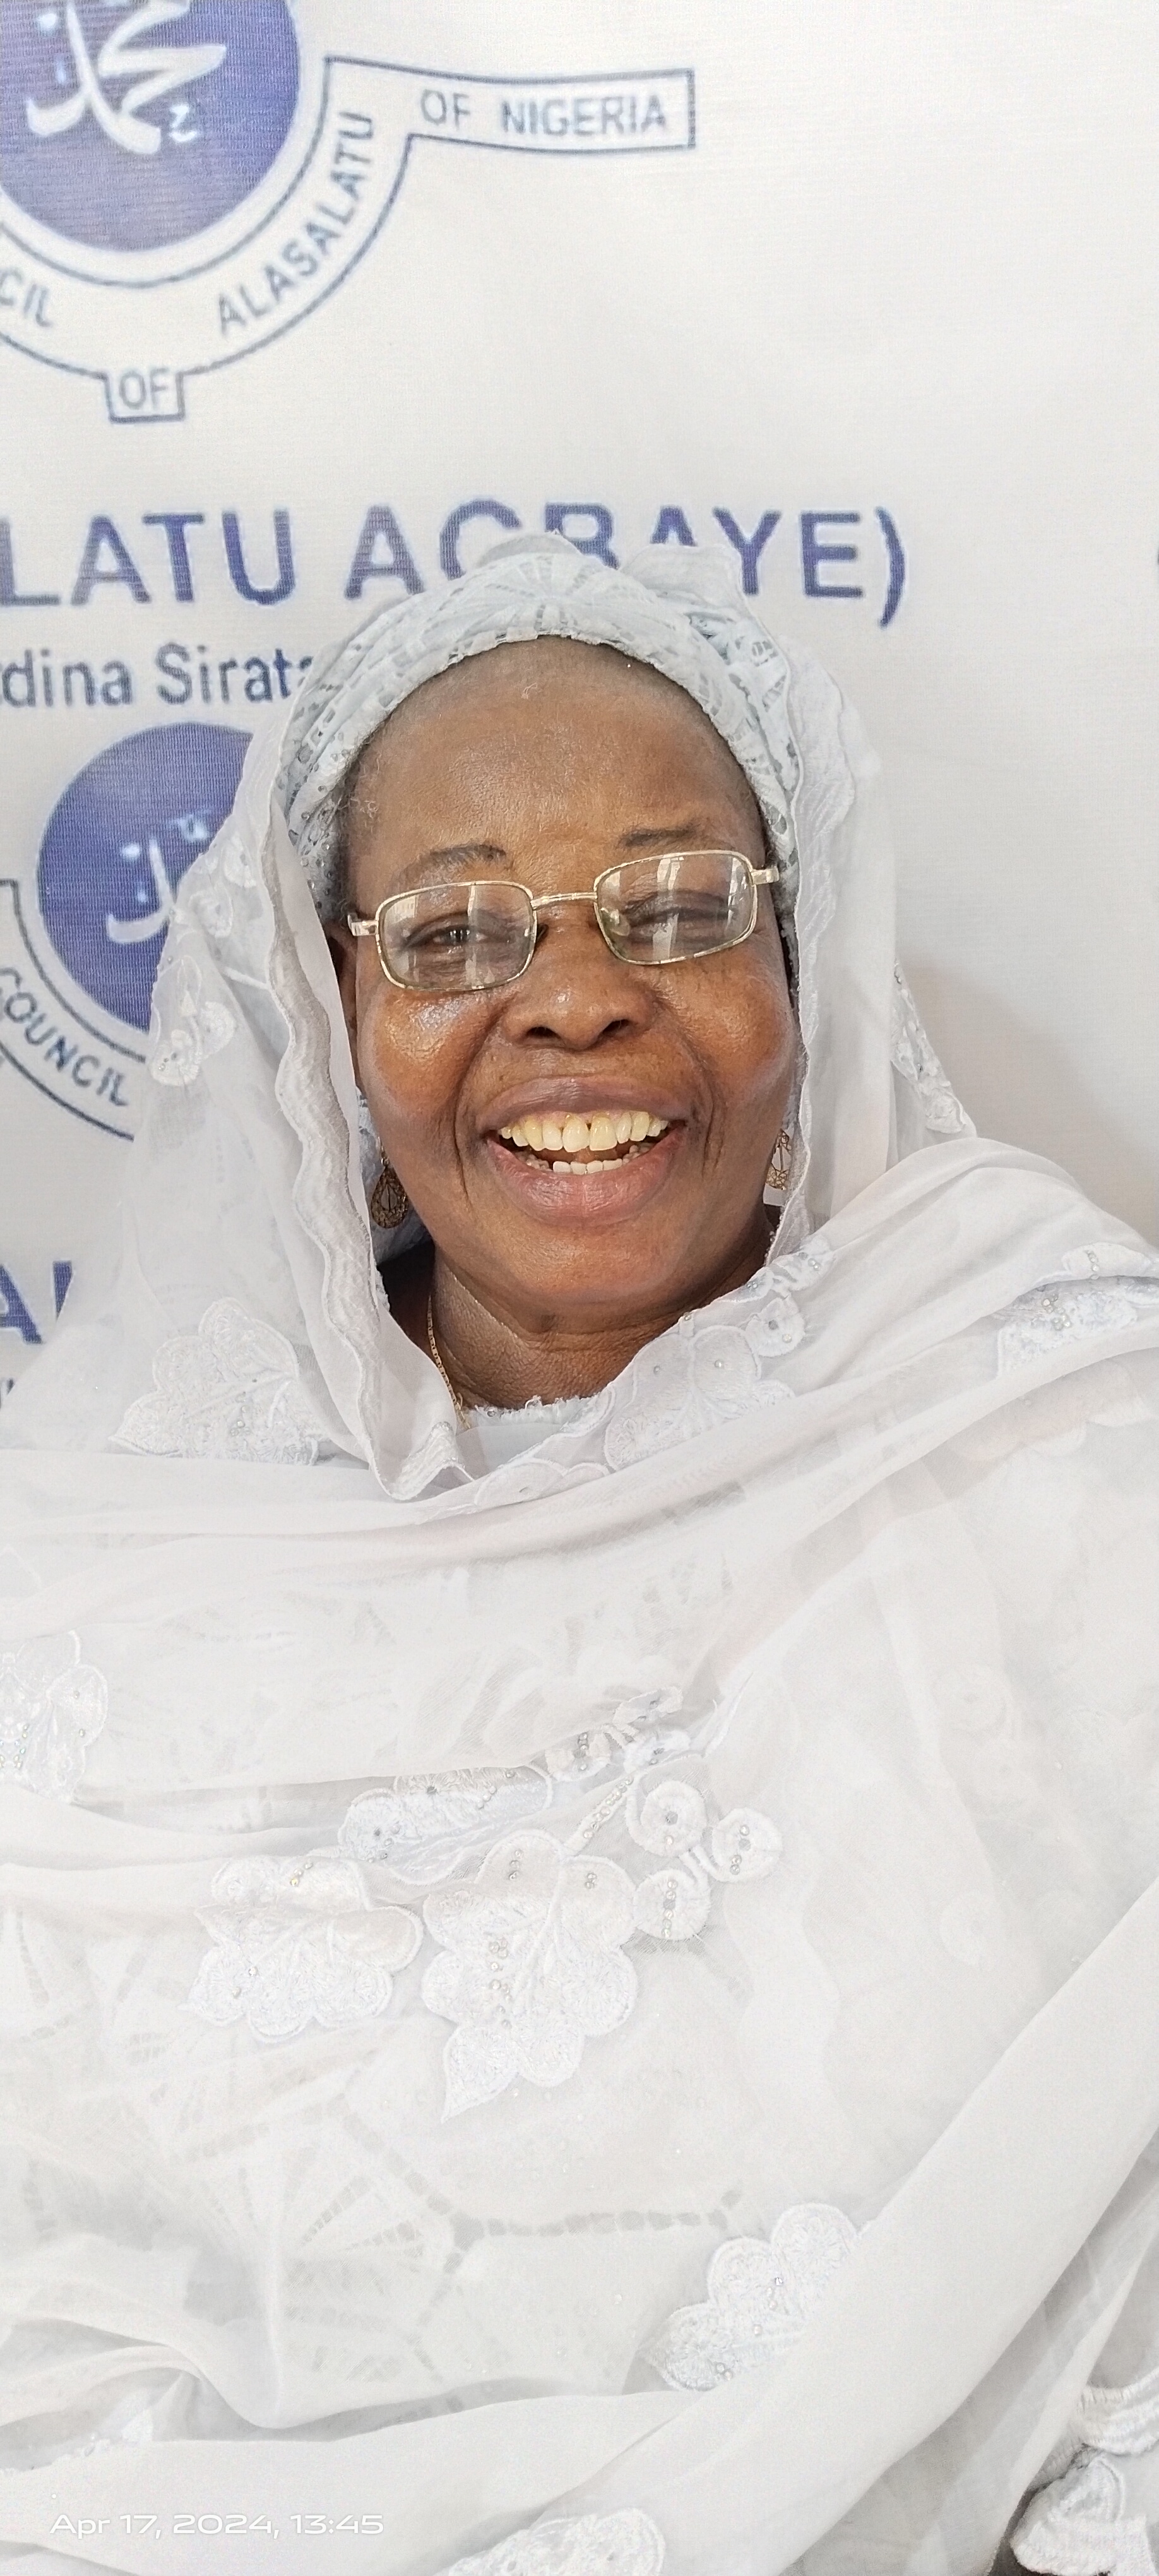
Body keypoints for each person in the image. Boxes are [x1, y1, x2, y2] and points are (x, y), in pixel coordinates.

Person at [2, 534, 1159, 2576]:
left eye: (677, 905)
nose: (573, 996)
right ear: (323, 1008)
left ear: (801, 964)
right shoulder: (88, 1563)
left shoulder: (1058, 1431)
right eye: (451, 932)